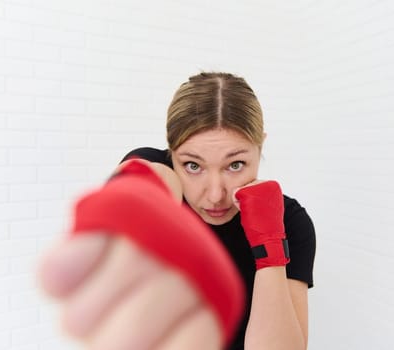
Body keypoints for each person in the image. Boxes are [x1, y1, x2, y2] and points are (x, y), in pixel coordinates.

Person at [38, 72, 316, 350]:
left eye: (235, 165)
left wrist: (269, 244)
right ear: (171, 152)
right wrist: (129, 202)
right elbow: (148, 179)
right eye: (193, 166)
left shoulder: (289, 220)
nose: (215, 194)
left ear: (260, 146)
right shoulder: (158, 168)